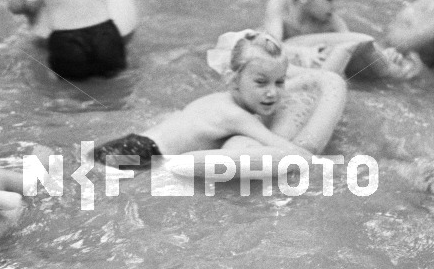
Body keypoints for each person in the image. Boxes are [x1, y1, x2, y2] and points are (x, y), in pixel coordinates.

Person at [94, 30, 313, 167]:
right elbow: (281, 148)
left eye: (280, 82)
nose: (272, 92)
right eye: (261, 82)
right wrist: (323, 165)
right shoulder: (236, 116)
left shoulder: (216, 99)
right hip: (139, 156)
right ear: (233, 80)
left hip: (125, 145)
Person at [264, 0, 420, 80]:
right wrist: (301, 52)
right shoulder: (278, 8)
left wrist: (385, 55)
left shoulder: (331, 22)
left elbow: (355, 46)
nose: (335, 6)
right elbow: (271, 46)